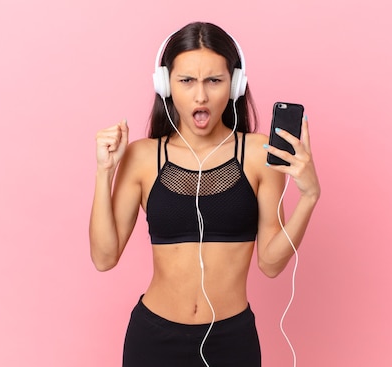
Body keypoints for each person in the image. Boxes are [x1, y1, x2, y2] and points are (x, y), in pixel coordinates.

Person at [90, 21, 320, 367]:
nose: (201, 96)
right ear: (166, 85)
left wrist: (309, 196)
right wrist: (104, 171)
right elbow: (104, 258)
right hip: (153, 340)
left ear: (235, 85)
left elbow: (271, 264)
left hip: (231, 341)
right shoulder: (141, 156)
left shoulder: (258, 154)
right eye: (186, 81)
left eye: (214, 81)